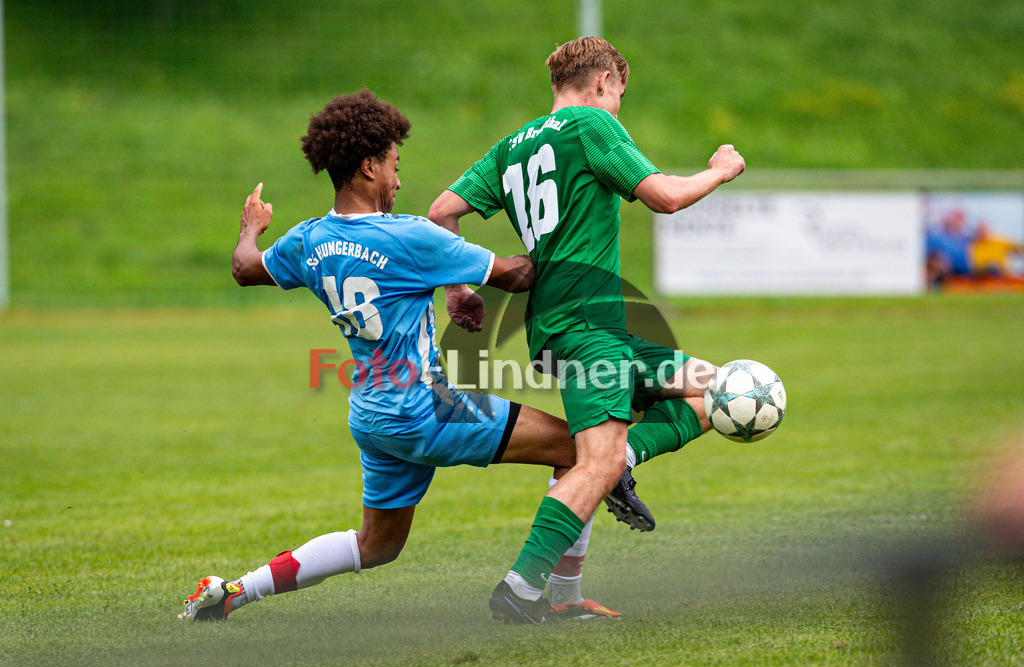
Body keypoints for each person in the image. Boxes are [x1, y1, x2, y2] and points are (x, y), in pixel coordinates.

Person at [178, 89, 632, 624]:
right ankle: (560, 596)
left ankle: (234, 591)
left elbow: (245, 267)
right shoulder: (409, 236)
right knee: (584, 455)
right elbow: (516, 273)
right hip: (428, 407)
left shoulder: (309, 239)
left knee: (377, 546)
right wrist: (567, 236)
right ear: (369, 166)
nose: (399, 179)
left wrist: (251, 226)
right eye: (395, 165)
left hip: (372, 415)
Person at [428, 36, 745, 621]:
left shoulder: (511, 147)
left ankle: (602, 510)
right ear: (603, 82)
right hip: (585, 331)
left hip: (587, 329)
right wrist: (719, 171)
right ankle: (521, 592)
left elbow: (441, 211)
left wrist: (461, 289)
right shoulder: (592, 126)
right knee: (592, 462)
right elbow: (667, 199)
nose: (618, 105)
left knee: (720, 388)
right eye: (619, 93)